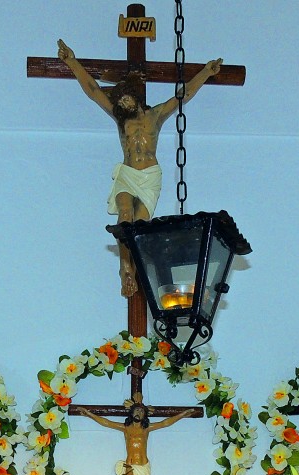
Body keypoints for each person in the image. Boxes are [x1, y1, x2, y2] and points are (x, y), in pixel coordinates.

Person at [57, 39, 222, 297]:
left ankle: (134, 269)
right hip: (127, 174)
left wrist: (206, 72)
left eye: (124, 99)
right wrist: (71, 61)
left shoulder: (155, 116)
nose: (121, 104)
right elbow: (92, 90)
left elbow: (184, 94)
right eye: (118, 102)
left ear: (134, 95)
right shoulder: (120, 119)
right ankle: (125, 268)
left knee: (141, 227)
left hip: (149, 178)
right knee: (125, 212)